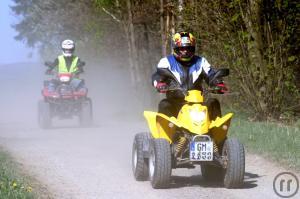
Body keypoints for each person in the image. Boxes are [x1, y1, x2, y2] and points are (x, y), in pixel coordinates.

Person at [152, 31, 227, 118]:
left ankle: (216, 131)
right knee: (164, 104)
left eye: (188, 48)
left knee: (214, 102)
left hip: (198, 104)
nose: (185, 51)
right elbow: (157, 76)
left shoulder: (201, 62)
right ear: (175, 48)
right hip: (175, 104)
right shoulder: (166, 62)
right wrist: (159, 84)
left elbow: (211, 75)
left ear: (193, 48)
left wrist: (218, 83)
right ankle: (164, 131)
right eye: (182, 48)